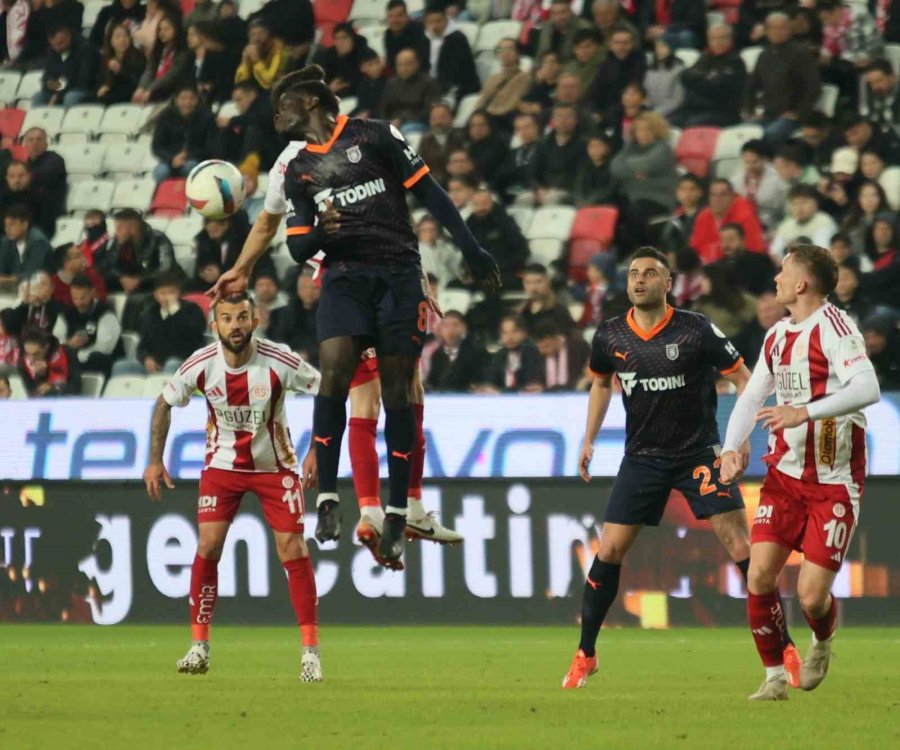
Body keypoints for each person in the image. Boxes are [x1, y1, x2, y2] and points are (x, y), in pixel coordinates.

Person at [208, 64, 500, 568]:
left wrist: (452, 258)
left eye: (284, 105)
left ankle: (396, 505)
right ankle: (377, 507)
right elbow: (270, 225)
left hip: (395, 273)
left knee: (403, 390)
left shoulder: (373, 136)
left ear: (312, 104)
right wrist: (239, 269)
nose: (275, 115)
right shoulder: (290, 165)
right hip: (345, 281)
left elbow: (416, 199)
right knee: (366, 393)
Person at [564, 246, 798, 690]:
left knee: (740, 545)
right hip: (642, 458)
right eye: (634, 273)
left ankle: (784, 648)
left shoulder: (695, 329)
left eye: (650, 273)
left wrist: (738, 438)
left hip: (699, 454)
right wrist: (589, 438)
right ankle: (586, 653)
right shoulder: (611, 335)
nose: (639, 280)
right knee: (610, 550)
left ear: (667, 283)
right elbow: (600, 382)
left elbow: (743, 379)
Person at [719, 244, 881, 700]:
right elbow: (751, 398)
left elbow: (868, 386)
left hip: (834, 481)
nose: (776, 277)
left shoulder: (835, 327)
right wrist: (733, 448)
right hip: (785, 477)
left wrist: (804, 413)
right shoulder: (776, 336)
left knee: (811, 596)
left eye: (784, 270)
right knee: (759, 576)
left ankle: (822, 640)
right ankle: (774, 677)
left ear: (802, 283)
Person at [142, 291, 323, 680]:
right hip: (223, 466)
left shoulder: (279, 360)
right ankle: (198, 647)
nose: (235, 325)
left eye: (242, 317)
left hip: (276, 466)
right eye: (227, 318)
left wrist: (318, 451)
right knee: (207, 545)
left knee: (292, 546)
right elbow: (163, 403)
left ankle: (310, 653)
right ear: (215, 325)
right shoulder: (202, 364)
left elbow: (327, 392)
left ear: (255, 320)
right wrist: (155, 460)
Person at [745, 13, 821, 147]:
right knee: (742, 134)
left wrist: (799, 113)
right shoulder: (764, 55)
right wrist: (750, 111)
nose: (777, 32)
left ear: (789, 29)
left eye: (782, 28)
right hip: (767, 114)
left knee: (770, 135)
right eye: (773, 28)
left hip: (791, 116)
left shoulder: (800, 54)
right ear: (767, 31)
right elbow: (751, 86)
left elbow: (813, 87)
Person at [609, 111, 678, 246]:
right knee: (609, 209)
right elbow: (614, 167)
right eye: (639, 130)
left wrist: (628, 168)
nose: (643, 133)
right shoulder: (629, 148)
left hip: (656, 199)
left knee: (636, 212)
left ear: (657, 130)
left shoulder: (663, 149)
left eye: (648, 129)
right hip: (631, 196)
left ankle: (642, 250)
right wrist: (635, 172)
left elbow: (646, 165)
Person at [135, 270, 207, 374]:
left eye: (171, 292)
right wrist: (146, 359)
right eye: (163, 293)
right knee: (122, 366)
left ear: (178, 292)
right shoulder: (149, 314)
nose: (167, 297)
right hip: (156, 363)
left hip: (185, 361)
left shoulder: (192, 310)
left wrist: (174, 312)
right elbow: (142, 347)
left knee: (171, 364)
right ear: (155, 295)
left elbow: (194, 340)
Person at [675, 23, 746, 127]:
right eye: (714, 39)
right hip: (695, 110)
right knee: (667, 124)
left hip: (722, 113)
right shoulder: (705, 57)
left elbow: (716, 87)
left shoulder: (735, 61)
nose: (718, 42)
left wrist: (699, 80)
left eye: (722, 38)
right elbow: (684, 76)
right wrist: (705, 77)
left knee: (692, 126)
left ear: (730, 39)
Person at [95, 208, 179, 294]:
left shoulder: (158, 239)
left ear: (132, 228)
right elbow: (108, 266)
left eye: (119, 228)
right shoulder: (120, 241)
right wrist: (122, 278)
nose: (117, 232)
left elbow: (166, 269)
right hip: (133, 287)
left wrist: (139, 280)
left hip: (156, 286)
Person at [52, 274, 122, 376]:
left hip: (102, 362)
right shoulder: (66, 314)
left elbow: (105, 348)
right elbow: (56, 341)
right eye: (75, 298)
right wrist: (69, 344)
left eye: (83, 298)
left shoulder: (105, 313)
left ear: (92, 293)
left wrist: (80, 354)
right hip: (74, 360)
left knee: (97, 358)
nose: (79, 303)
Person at [215, 81, 280, 188]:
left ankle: (247, 169)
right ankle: (220, 166)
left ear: (252, 95)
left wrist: (232, 121)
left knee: (252, 130)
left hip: (271, 154)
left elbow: (261, 119)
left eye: (239, 100)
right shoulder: (249, 113)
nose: (237, 105)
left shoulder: (266, 103)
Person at [151, 84, 215, 184]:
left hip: (195, 159)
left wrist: (188, 155)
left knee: (190, 168)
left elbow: (209, 147)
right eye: (183, 98)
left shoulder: (207, 117)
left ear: (197, 100)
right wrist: (171, 159)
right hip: (170, 159)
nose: (187, 102)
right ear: (176, 100)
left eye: (191, 99)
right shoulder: (165, 116)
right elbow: (157, 146)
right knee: (160, 172)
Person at [690, 179, 765, 264]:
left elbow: (756, 249)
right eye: (713, 195)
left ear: (732, 197)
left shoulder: (745, 216)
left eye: (723, 195)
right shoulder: (703, 217)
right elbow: (695, 248)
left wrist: (715, 250)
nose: (717, 199)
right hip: (707, 267)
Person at [466, 188, 529, 289]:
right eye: (476, 204)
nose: (480, 208)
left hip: (507, 272)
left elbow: (523, 251)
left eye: (484, 203)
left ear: (492, 203)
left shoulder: (505, 222)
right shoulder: (469, 225)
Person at [34, 24, 100, 107]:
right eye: (53, 45)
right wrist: (51, 85)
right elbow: (47, 76)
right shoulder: (52, 51)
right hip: (60, 90)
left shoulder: (85, 49)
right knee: (38, 97)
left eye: (60, 43)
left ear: (68, 36)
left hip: (84, 90)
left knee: (71, 97)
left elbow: (83, 80)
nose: (57, 48)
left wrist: (59, 90)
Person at [531, 103, 584, 206]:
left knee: (551, 199)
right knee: (524, 199)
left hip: (569, 191)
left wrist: (554, 189)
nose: (563, 120)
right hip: (544, 189)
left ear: (575, 120)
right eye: (559, 116)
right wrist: (538, 189)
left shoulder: (583, 144)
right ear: (553, 120)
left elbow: (581, 175)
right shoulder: (543, 143)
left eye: (568, 116)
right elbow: (532, 172)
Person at [586, 24, 645, 115]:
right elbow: (593, 93)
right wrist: (594, 112)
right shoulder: (605, 65)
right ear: (610, 45)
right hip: (603, 113)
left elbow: (635, 96)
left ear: (632, 44)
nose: (621, 47)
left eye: (625, 43)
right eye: (617, 43)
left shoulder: (640, 65)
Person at [132, 12, 191, 103]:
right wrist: (141, 88)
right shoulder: (158, 49)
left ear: (176, 29)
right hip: (155, 89)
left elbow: (172, 75)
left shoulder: (183, 51)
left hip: (173, 90)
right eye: (160, 29)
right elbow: (150, 70)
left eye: (167, 29)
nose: (162, 33)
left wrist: (150, 89)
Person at [730, 140, 789, 231]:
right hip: (741, 227)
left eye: (754, 162)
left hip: (772, 227)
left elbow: (786, 211)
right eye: (746, 162)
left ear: (764, 159)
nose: (750, 167)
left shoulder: (778, 180)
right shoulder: (735, 179)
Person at [475, 38, 532, 131]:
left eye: (509, 49)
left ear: (518, 53)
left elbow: (512, 105)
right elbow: (481, 102)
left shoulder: (524, 78)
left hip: (503, 122)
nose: (504, 53)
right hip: (486, 120)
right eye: (501, 49)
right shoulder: (493, 78)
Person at [423, 6, 478, 101]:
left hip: (458, 89)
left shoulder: (458, 39)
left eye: (438, 21)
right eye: (430, 22)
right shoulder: (424, 39)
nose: (435, 26)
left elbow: (456, 74)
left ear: (446, 21)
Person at [477, 314, 544, 393]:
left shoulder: (532, 352)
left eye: (514, 331)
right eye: (504, 333)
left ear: (524, 333)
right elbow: (490, 381)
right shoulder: (499, 355)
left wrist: (501, 391)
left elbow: (529, 385)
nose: (509, 337)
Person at [423, 309, 486, 392]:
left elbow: (480, 382)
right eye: (446, 326)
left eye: (455, 325)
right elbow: (432, 383)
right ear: (440, 330)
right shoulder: (436, 355)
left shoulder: (476, 353)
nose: (450, 330)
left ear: (463, 328)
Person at [381, 48, 442, 133]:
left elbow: (429, 111)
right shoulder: (391, 84)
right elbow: (384, 109)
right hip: (393, 123)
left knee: (404, 131)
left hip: (418, 123)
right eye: (399, 65)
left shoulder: (429, 83)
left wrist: (402, 120)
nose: (403, 68)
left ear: (417, 64)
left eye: (407, 64)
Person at [770, 186, 838, 261]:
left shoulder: (823, 221)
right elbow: (775, 252)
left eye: (804, 202)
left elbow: (822, 251)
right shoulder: (786, 225)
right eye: (794, 204)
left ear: (815, 203)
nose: (799, 208)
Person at [268, 269, 319, 363]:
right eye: (304, 287)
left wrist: (309, 355)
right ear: (298, 289)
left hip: (318, 360)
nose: (309, 292)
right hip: (290, 359)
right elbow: (280, 337)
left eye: (314, 288)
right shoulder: (288, 311)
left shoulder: (327, 313)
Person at [22, 128, 67, 230]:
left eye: (39, 139)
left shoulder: (55, 160)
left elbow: (40, 177)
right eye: (31, 140)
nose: (35, 143)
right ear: (24, 145)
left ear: (46, 144)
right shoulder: (25, 164)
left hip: (49, 217)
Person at [0, 204, 52, 288]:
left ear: (25, 225)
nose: (7, 229)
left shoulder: (38, 242)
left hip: (38, 288)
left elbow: (33, 274)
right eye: (6, 225)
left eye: (12, 224)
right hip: (12, 289)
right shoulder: (6, 242)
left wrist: (6, 280)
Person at [18, 327, 80, 397]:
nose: (31, 359)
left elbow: (76, 387)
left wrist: (53, 388)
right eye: (28, 354)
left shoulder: (67, 353)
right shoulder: (23, 363)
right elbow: (33, 395)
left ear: (46, 347)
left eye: (36, 354)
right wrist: (40, 376)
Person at [313, 22, 370, 98]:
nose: (340, 43)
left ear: (352, 38)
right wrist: (329, 89)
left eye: (344, 38)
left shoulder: (363, 54)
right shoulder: (326, 57)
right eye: (336, 39)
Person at [97, 21, 147, 105]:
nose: (122, 40)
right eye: (117, 37)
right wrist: (104, 86)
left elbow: (135, 81)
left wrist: (120, 70)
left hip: (130, 93)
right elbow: (100, 79)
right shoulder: (106, 58)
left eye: (125, 36)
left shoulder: (138, 56)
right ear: (110, 40)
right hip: (111, 93)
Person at [417, 102, 466, 187]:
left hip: (460, 181)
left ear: (451, 118)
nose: (438, 122)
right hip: (433, 185)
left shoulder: (460, 136)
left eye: (443, 117)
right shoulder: (425, 141)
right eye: (434, 118)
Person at [718, 223, 775, 296]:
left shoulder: (761, 261)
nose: (726, 245)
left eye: (730, 240)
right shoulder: (718, 267)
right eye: (722, 240)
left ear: (742, 240)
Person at [519, 263, 575, 335]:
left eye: (538, 282)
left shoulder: (559, 312)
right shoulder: (521, 312)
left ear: (548, 282)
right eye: (528, 282)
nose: (533, 288)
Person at [533, 321, 590, 391]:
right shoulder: (538, 356)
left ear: (557, 339)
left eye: (546, 346)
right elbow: (537, 380)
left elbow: (591, 368)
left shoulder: (579, 348)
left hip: (575, 393)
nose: (542, 351)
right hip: (547, 396)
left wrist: (586, 379)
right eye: (540, 348)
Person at [234, 18, 285, 91]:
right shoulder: (252, 49)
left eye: (261, 34)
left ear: (270, 36)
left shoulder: (279, 50)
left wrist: (256, 61)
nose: (256, 38)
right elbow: (240, 84)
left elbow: (269, 83)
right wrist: (244, 60)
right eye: (253, 34)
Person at [535, 0, 593, 65]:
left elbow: (585, 60)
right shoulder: (546, 27)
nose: (559, 17)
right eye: (555, 13)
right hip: (548, 69)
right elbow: (540, 55)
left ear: (570, 12)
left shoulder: (582, 27)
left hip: (572, 71)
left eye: (563, 12)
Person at [659, 174, 705, 254]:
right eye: (683, 189)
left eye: (692, 189)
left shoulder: (706, 215)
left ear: (700, 192)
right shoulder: (674, 218)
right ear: (677, 193)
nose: (687, 194)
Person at [383, 0, 429, 74]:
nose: (394, 20)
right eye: (391, 16)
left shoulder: (419, 31)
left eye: (399, 16)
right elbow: (391, 63)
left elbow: (423, 63)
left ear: (407, 16)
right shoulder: (388, 35)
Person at [465, 111, 508, 187]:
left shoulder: (498, 146)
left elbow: (485, 168)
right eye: (473, 126)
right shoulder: (469, 146)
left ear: (489, 126)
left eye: (482, 125)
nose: (478, 129)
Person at [643, 39, 684, 119]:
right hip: (650, 113)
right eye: (657, 47)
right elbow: (645, 94)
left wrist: (656, 113)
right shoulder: (650, 70)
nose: (659, 50)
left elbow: (677, 101)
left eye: (663, 46)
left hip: (671, 114)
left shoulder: (679, 70)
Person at [860, 58, 900, 135]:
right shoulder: (874, 94)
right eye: (872, 83)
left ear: (892, 78)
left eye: (879, 81)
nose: (875, 87)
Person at [573, 134, 615, 208]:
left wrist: (591, 201)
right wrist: (581, 202)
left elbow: (609, 190)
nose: (595, 150)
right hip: (584, 205)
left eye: (598, 146)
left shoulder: (613, 167)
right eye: (591, 147)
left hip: (605, 205)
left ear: (608, 148)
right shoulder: (584, 168)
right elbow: (578, 188)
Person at [352, 48, 388, 119]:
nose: (376, 67)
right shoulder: (363, 84)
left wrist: (368, 113)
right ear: (362, 68)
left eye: (377, 62)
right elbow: (361, 105)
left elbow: (384, 106)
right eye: (370, 65)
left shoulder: (387, 83)